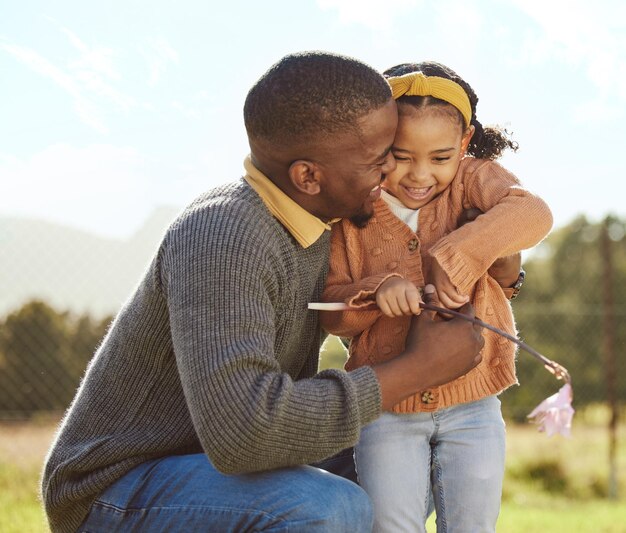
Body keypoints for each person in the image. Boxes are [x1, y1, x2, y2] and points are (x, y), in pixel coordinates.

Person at [40, 51, 488, 533]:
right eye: (381, 160)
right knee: (328, 507)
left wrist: (498, 264)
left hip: (218, 467)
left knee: (397, 469)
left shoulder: (319, 223)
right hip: (117, 487)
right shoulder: (224, 235)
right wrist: (414, 370)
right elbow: (245, 434)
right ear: (309, 176)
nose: (391, 175)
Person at [321, 60, 553, 532]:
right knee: (390, 523)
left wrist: (459, 252)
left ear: (465, 144)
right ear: (377, 142)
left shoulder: (474, 180)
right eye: (400, 156)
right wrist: (375, 291)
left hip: (475, 405)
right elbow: (333, 314)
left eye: (440, 158)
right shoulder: (353, 214)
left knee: (473, 523)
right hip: (387, 408)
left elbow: (534, 213)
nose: (419, 175)